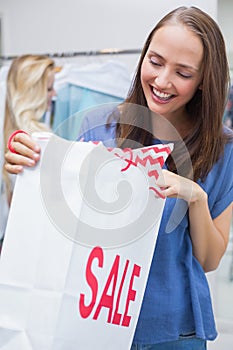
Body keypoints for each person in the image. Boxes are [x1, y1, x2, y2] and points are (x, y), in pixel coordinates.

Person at [4, 6, 233, 349]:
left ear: (204, 81)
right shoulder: (99, 127)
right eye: (155, 62)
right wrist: (30, 170)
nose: (162, 81)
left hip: (173, 330)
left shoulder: (223, 149)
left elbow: (210, 260)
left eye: (183, 73)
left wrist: (194, 195)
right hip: (94, 321)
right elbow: (63, 223)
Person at [1, 54, 56, 250]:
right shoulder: (37, 139)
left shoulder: (10, 131)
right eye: (49, 89)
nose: (55, 94)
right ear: (33, 92)